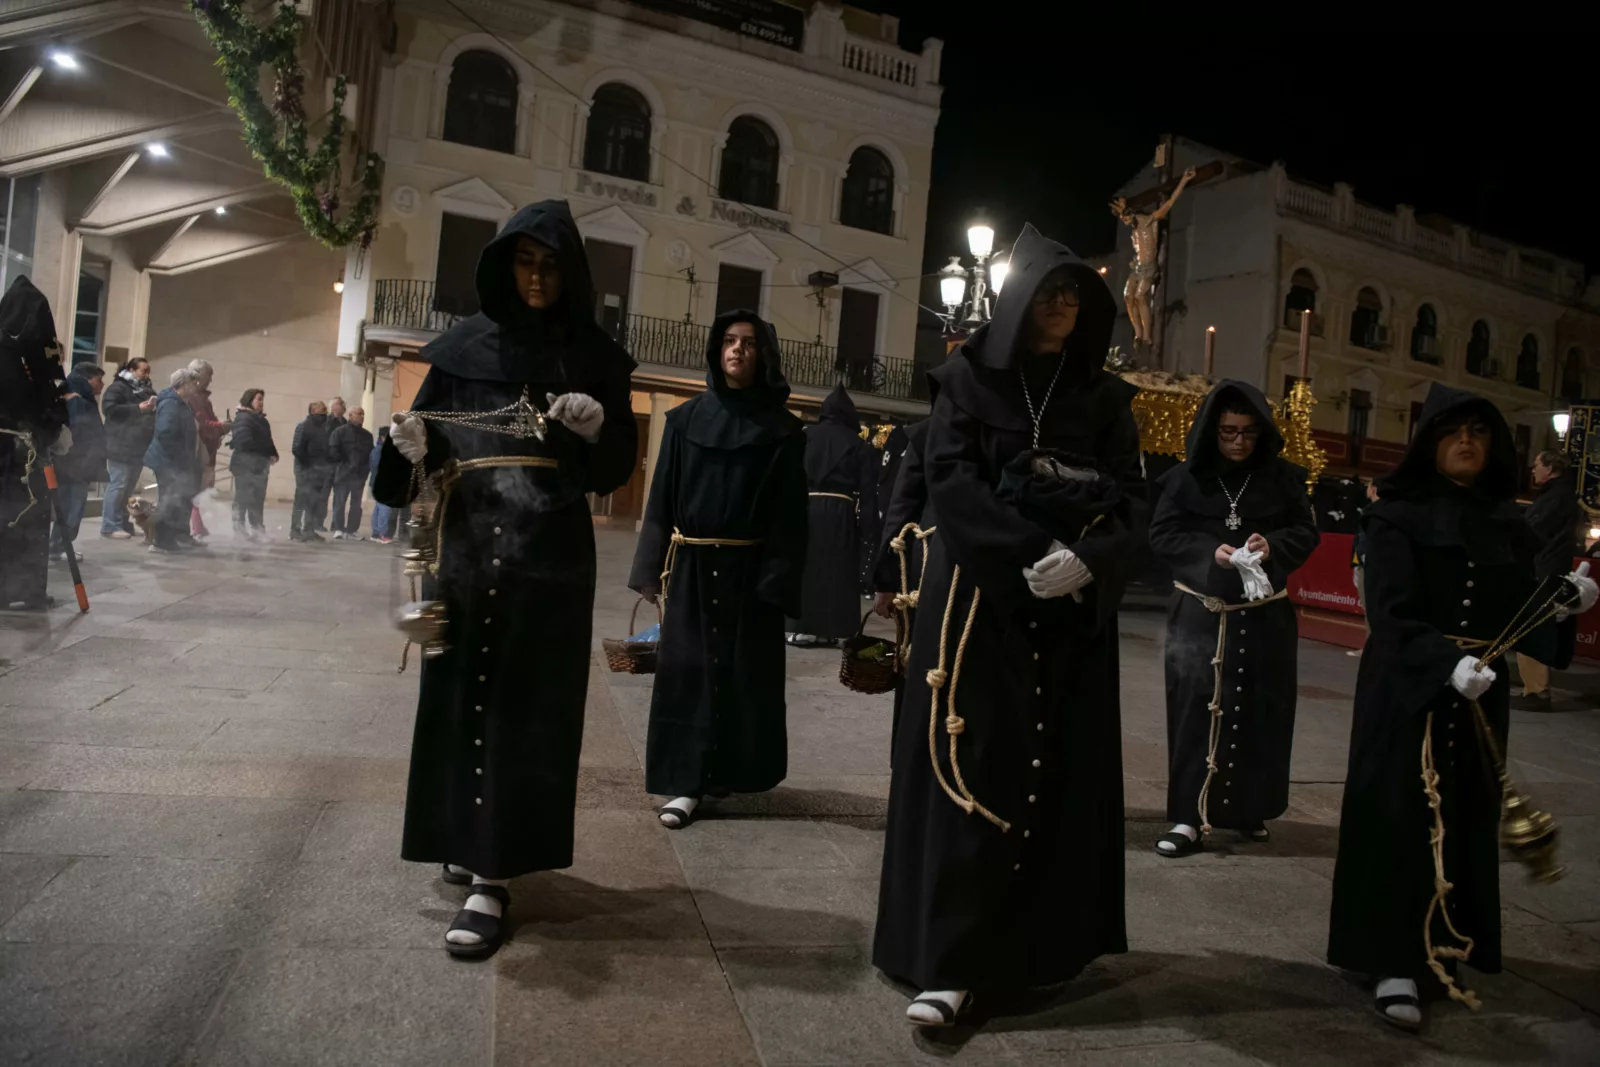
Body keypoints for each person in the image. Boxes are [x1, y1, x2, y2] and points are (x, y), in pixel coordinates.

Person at [873, 226, 1141, 1026]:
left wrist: (1091, 559)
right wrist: (1033, 551)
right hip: (977, 608)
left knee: (1054, 775)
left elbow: (1134, 500)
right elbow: (950, 481)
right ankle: (949, 961)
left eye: (1074, 295)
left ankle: (1034, 954)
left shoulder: (1105, 399)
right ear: (1020, 298)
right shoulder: (965, 381)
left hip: (1070, 618)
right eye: (1049, 291)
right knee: (971, 769)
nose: (1061, 304)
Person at [371, 200, 637, 959]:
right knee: (461, 701)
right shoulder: (460, 351)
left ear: (571, 272)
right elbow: (403, 473)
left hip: (548, 560)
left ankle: (492, 876)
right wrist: (405, 446)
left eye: (551, 265)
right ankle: (464, 837)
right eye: (525, 262)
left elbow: (614, 468)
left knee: (523, 711)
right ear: (502, 266)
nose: (537, 278)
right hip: (463, 552)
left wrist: (597, 431)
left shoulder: (592, 356)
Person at [1327, 383, 1597, 1032]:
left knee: (1463, 814)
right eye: (1454, 431)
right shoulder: (1395, 516)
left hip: (1480, 691)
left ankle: (1446, 942)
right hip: (1406, 692)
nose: (1467, 441)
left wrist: (1562, 602)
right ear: (1431, 442)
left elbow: (1513, 606)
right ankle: (1391, 959)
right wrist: (1442, 662)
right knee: (1398, 816)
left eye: (1478, 431)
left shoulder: (1505, 521)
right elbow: (1389, 612)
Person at [628, 309, 808, 829]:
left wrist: (777, 579)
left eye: (748, 342)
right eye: (729, 340)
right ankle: (685, 782)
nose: (737, 349)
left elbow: (790, 516)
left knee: (741, 677)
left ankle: (724, 771)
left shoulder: (783, 431)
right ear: (717, 349)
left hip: (750, 574)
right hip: (692, 569)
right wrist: (649, 568)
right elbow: (661, 498)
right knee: (689, 676)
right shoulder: (684, 422)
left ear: (762, 355)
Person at [1147, 380, 1320, 857]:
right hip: (1201, 616)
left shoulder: (1283, 479)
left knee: (1260, 712)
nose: (1239, 442)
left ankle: (1247, 809)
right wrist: (1211, 554)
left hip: (1265, 618)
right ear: (1212, 431)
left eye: (1248, 432)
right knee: (1196, 713)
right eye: (1228, 432)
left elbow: (1305, 532)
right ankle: (1188, 816)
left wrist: (1273, 546)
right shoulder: (1186, 478)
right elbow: (1163, 535)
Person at [788, 383, 878, 646]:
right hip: (841, 512)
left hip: (806, 508)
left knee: (807, 568)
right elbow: (868, 494)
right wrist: (869, 532)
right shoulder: (859, 445)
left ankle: (802, 628)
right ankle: (838, 629)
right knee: (839, 570)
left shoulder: (805, 437)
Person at [1, 277, 69, 610]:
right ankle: (24, 590)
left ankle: (16, 589)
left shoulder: (21, 352)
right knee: (25, 518)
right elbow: (40, 397)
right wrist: (52, 426)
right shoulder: (20, 354)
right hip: (20, 451)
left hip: (17, 449)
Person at [870, 417, 931, 765]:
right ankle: (912, 766)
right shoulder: (926, 435)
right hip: (930, 574)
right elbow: (902, 509)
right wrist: (888, 579)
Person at [1515, 450, 1579, 711]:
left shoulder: (1557, 497)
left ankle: (1537, 692)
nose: (1533, 469)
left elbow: (1532, 530)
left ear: (1550, 469)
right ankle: (1532, 688)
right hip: (1543, 569)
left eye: (1537, 465)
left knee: (1533, 627)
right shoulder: (1556, 494)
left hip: (1543, 572)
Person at [50, 362, 108, 562]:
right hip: (75, 465)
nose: (102, 384)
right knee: (71, 508)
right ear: (87, 379)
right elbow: (76, 432)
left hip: (74, 464)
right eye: (99, 380)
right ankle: (59, 546)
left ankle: (58, 545)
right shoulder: (76, 399)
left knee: (69, 507)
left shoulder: (76, 396)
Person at [144, 368, 203, 553]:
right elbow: (166, 433)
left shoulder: (181, 403)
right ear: (184, 384)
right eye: (193, 383)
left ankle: (171, 538)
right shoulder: (171, 403)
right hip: (169, 462)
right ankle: (161, 541)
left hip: (175, 461)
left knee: (175, 500)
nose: (196, 387)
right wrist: (180, 460)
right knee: (169, 500)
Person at [100, 356, 157, 539]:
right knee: (118, 485)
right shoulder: (118, 388)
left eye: (148, 371)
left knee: (128, 488)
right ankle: (110, 525)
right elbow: (109, 410)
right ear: (132, 370)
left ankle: (123, 523)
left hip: (137, 447)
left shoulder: (147, 390)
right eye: (143, 371)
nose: (146, 374)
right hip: (119, 444)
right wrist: (137, 409)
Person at [185, 359, 226, 541]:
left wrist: (220, 427)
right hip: (200, 451)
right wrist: (220, 426)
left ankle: (198, 526)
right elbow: (202, 424)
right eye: (209, 375)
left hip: (208, 450)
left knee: (202, 490)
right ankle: (196, 527)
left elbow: (209, 421)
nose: (210, 380)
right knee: (198, 491)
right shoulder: (194, 398)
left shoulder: (202, 398)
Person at [229, 388, 277, 540]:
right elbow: (244, 442)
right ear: (249, 400)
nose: (261, 403)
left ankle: (257, 528)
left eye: (262, 400)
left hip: (259, 466)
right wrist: (265, 453)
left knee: (257, 499)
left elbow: (268, 441)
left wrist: (273, 453)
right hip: (244, 465)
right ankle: (239, 528)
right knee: (243, 498)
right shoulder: (243, 418)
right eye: (258, 399)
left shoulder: (261, 420)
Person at [289, 400, 332, 542]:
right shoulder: (304, 426)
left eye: (325, 412)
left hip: (319, 469)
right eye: (322, 412)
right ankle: (295, 530)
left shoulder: (322, 428)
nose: (325, 414)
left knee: (313, 501)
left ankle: (309, 529)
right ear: (313, 412)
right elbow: (297, 449)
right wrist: (309, 465)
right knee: (301, 499)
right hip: (304, 468)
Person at [328, 406, 374, 539]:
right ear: (351, 415)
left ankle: (352, 530)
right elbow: (333, 451)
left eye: (363, 414)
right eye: (359, 414)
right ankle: (338, 528)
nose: (362, 416)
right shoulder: (340, 432)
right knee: (340, 502)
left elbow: (369, 455)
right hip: (343, 473)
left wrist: (365, 471)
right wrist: (344, 465)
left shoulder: (367, 435)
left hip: (359, 475)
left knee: (356, 504)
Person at [1348, 478, 1380, 657]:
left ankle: (1371, 649)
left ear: (1374, 489)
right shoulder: (1370, 509)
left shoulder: (1377, 512)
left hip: (1371, 565)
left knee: (1372, 608)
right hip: (1362, 562)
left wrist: (1365, 560)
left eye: (1368, 486)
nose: (1366, 489)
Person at [369, 426, 398, 543]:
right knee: (385, 508)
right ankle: (382, 534)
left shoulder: (381, 449)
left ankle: (376, 533)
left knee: (379, 507)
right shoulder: (380, 450)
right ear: (383, 437)